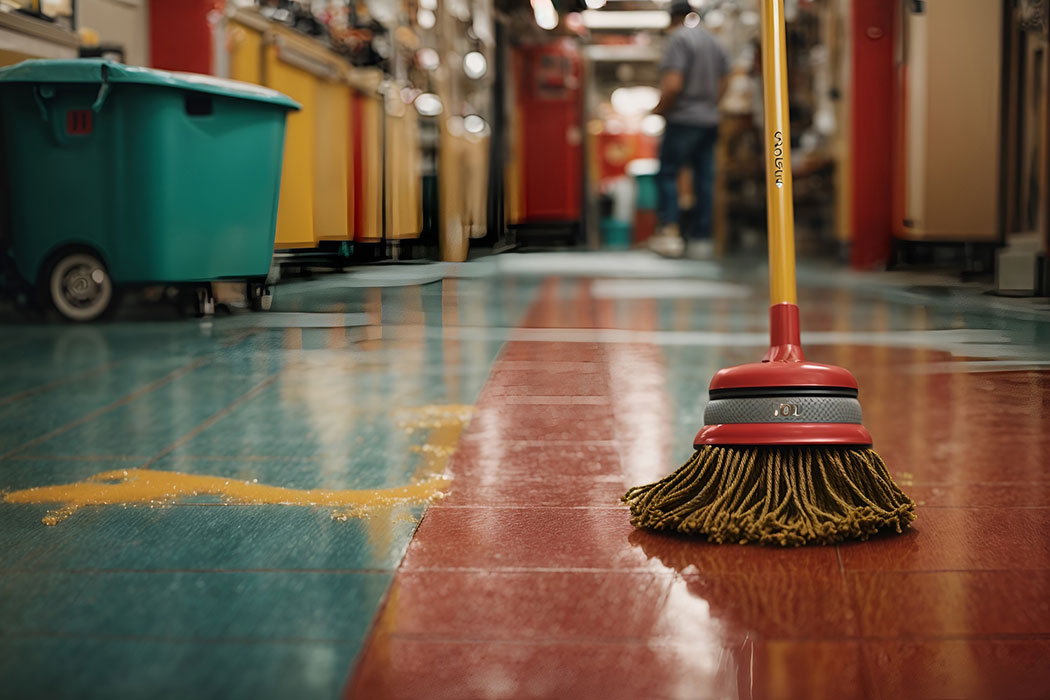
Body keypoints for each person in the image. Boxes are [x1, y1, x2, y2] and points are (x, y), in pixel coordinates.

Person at [649, 0, 729, 258]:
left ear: (672, 18)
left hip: (683, 119)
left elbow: (673, 84)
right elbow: (725, 80)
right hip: (709, 120)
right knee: (704, 179)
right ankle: (701, 239)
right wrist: (709, 105)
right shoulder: (715, 41)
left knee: (668, 173)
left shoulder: (678, 39)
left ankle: (670, 233)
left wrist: (659, 109)